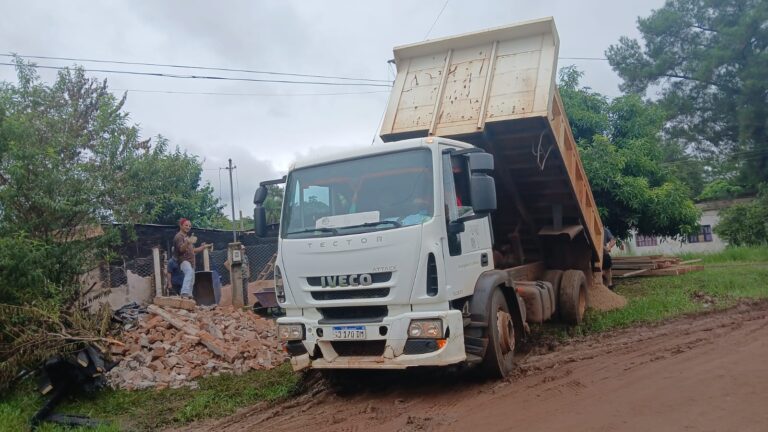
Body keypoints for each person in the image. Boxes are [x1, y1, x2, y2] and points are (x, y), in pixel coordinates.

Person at [173, 218, 208, 300]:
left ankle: (189, 296)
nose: (188, 227)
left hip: (191, 262)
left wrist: (203, 247)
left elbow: (193, 251)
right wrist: (187, 242)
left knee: (192, 280)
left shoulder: (187, 237)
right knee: (189, 272)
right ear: (181, 225)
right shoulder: (179, 236)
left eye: (189, 226)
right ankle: (184, 292)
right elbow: (181, 249)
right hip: (184, 260)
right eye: (186, 225)